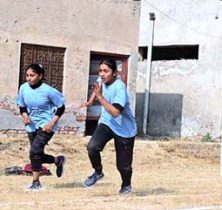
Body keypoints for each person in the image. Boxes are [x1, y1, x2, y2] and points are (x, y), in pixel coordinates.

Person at [80, 59, 137, 195]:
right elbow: (97, 89)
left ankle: (126, 185)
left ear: (114, 73)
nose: (102, 74)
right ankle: (98, 172)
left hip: (125, 129)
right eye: (100, 71)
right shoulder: (101, 81)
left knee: (123, 165)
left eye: (106, 71)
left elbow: (116, 112)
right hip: (107, 123)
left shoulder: (119, 88)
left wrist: (99, 97)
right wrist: (90, 101)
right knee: (92, 147)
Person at [16, 64, 67, 191]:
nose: (29, 78)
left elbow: (61, 107)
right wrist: (25, 116)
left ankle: (36, 182)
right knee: (36, 154)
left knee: (34, 152)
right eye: (27, 75)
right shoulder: (23, 88)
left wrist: (51, 123)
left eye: (32, 75)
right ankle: (58, 160)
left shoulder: (48, 90)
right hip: (31, 125)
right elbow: (22, 106)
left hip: (46, 126)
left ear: (40, 76)